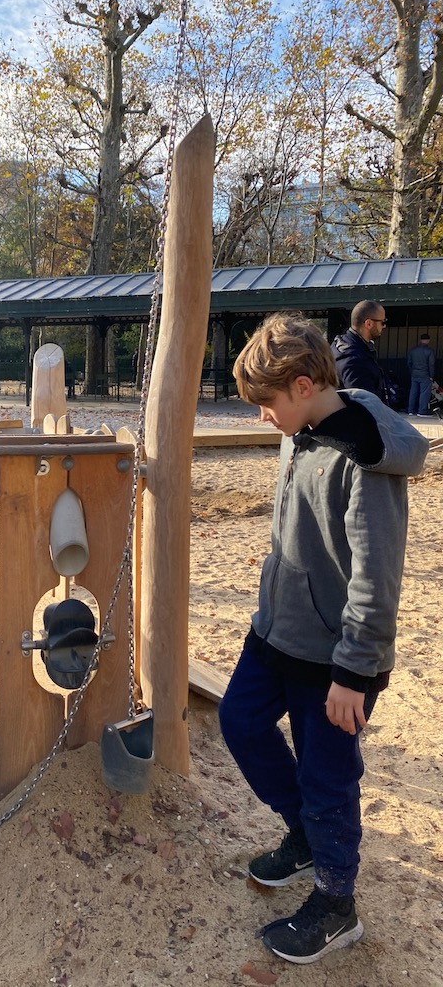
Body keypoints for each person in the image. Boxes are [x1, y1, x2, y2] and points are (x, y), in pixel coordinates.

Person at [220, 312, 428, 965]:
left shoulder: (363, 458)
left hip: (335, 659)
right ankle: (305, 833)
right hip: (278, 633)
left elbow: (376, 576)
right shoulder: (302, 428)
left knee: (328, 776)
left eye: (268, 405)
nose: (263, 418)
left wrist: (353, 672)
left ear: (305, 385)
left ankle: (338, 905)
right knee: (240, 719)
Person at [331, 300, 388, 402]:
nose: (384, 326)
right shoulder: (354, 360)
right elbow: (364, 406)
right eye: (383, 322)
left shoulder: (341, 343)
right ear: (368, 323)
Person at [406, 333, 436, 416]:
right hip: (425, 374)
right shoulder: (429, 351)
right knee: (424, 393)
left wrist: (412, 372)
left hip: (414, 374)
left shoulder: (413, 350)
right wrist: (431, 376)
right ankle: (422, 411)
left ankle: (410, 410)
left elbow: (409, 363)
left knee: (413, 392)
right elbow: (431, 364)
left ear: (420, 340)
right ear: (428, 341)